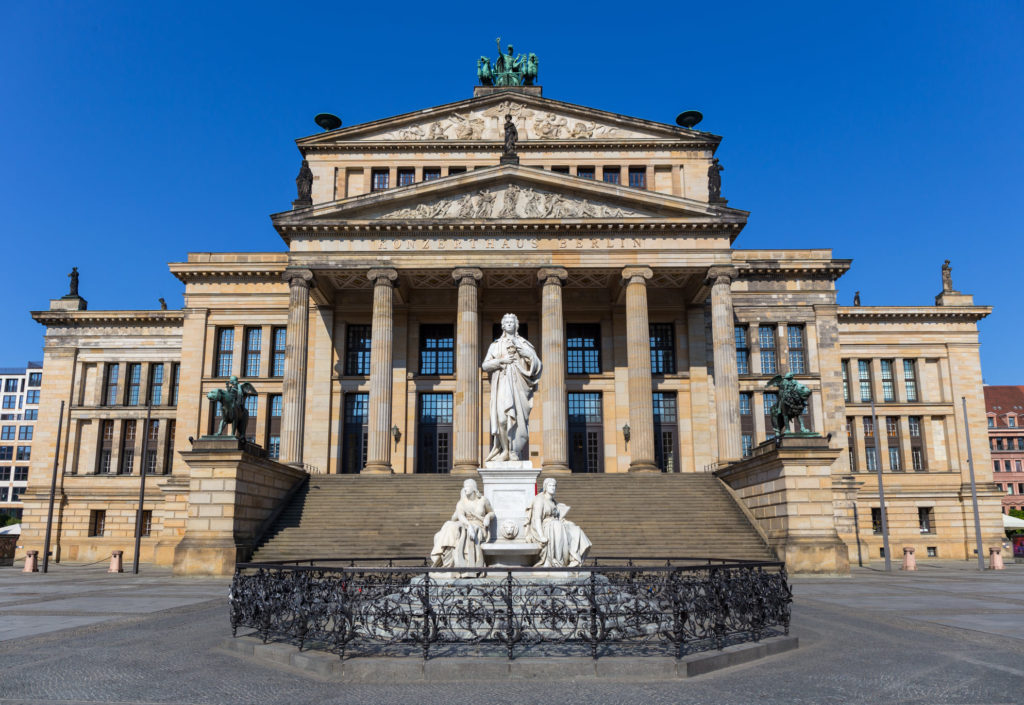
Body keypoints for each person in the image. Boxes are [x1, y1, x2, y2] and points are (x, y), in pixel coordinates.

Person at [482, 313, 542, 461]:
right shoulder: (495, 345)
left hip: (519, 386)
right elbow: (485, 365)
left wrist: (525, 353)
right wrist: (501, 361)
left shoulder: (524, 344)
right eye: (506, 322)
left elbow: (537, 364)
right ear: (502, 325)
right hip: (502, 383)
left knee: (519, 421)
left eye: (512, 322)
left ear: (516, 325)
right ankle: (505, 450)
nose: (509, 324)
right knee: (502, 419)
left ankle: (514, 451)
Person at [525, 478, 592, 567]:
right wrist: (541, 536)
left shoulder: (553, 501)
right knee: (557, 525)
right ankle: (558, 561)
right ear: (545, 487)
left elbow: (556, 516)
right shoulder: (539, 499)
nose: (552, 487)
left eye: (554, 485)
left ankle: (575, 559)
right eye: (550, 485)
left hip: (555, 523)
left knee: (575, 529)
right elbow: (537, 519)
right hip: (545, 526)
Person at [429, 479, 495, 569]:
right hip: (466, 524)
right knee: (448, 525)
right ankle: (445, 560)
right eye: (464, 486)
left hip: (479, 526)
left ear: (473, 488)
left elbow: (491, 513)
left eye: (467, 486)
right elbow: (460, 516)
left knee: (452, 527)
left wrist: (487, 517)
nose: (465, 488)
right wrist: (469, 526)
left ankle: (446, 561)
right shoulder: (462, 502)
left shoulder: (483, 500)